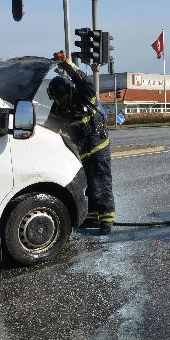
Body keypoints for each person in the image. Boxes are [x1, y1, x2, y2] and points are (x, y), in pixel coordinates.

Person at [46, 52, 115, 235]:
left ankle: (107, 221)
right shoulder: (58, 107)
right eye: (55, 97)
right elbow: (50, 127)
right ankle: (92, 217)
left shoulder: (84, 94)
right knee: (89, 184)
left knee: (101, 182)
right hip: (82, 151)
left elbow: (81, 78)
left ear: (68, 89)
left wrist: (66, 63)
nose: (59, 100)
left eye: (60, 94)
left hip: (99, 147)